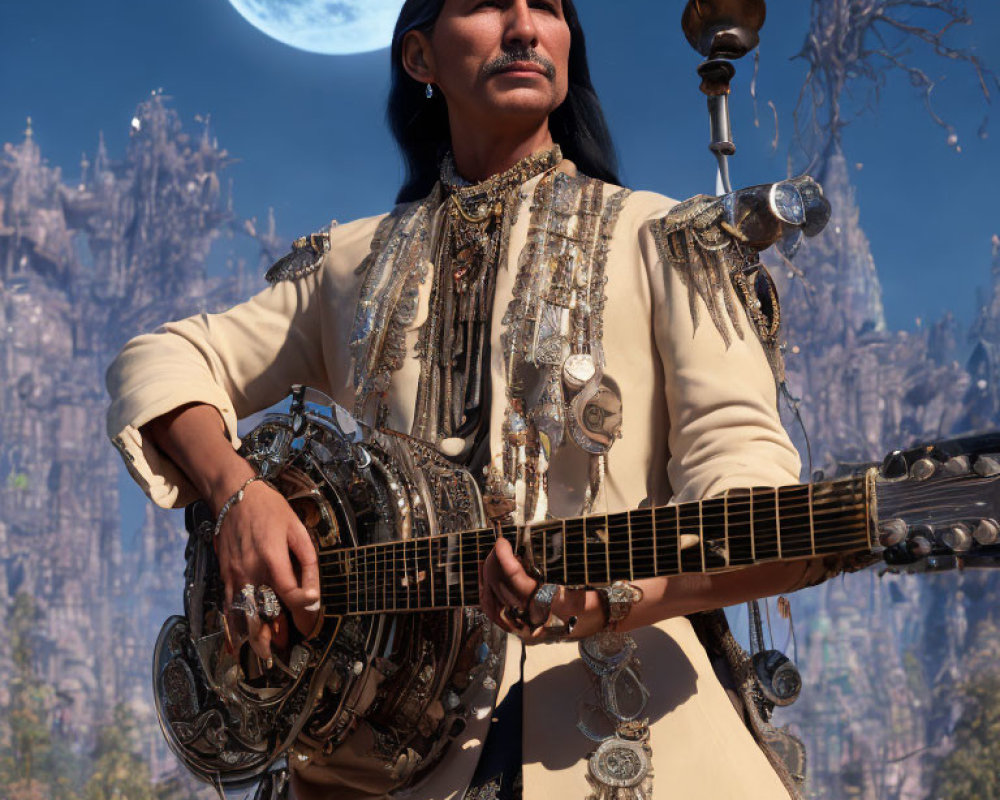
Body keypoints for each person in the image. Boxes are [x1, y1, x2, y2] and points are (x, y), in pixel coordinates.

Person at [107, 1, 832, 798]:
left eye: (549, 8)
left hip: (617, 733)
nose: (524, 27)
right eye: (489, 4)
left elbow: (753, 496)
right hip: (371, 758)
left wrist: (614, 598)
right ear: (419, 56)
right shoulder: (349, 261)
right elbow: (165, 357)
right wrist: (237, 493)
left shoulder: (666, 238)